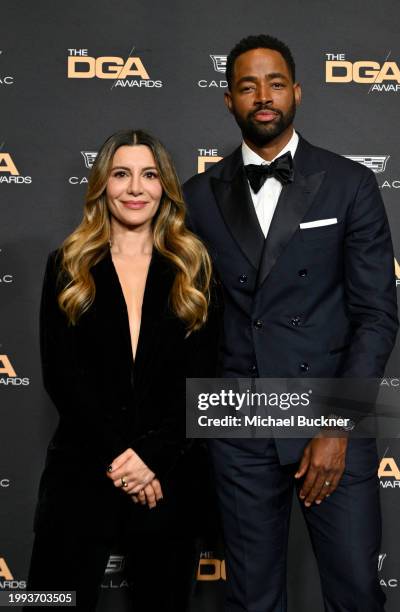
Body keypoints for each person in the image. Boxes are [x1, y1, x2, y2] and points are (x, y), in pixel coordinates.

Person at [183, 35, 399, 611]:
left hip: (331, 419)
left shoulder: (350, 183)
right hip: (240, 428)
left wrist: (336, 427)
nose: (263, 96)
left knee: (356, 594)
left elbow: (376, 316)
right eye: (247, 86)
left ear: (297, 91)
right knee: (253, 600)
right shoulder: (196, 197)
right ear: (228, 100)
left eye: (275, 83)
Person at [27, 129, 220, 611]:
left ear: (165, 187)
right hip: (83, 472)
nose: (136, 188)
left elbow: (204, 382)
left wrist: (150, 457)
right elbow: (62, 379)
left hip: (165, 479)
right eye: (121, 174)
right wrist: (123, 461)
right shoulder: (68, 265)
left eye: (149, 175)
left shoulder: (193, 268)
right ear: (102, 186)